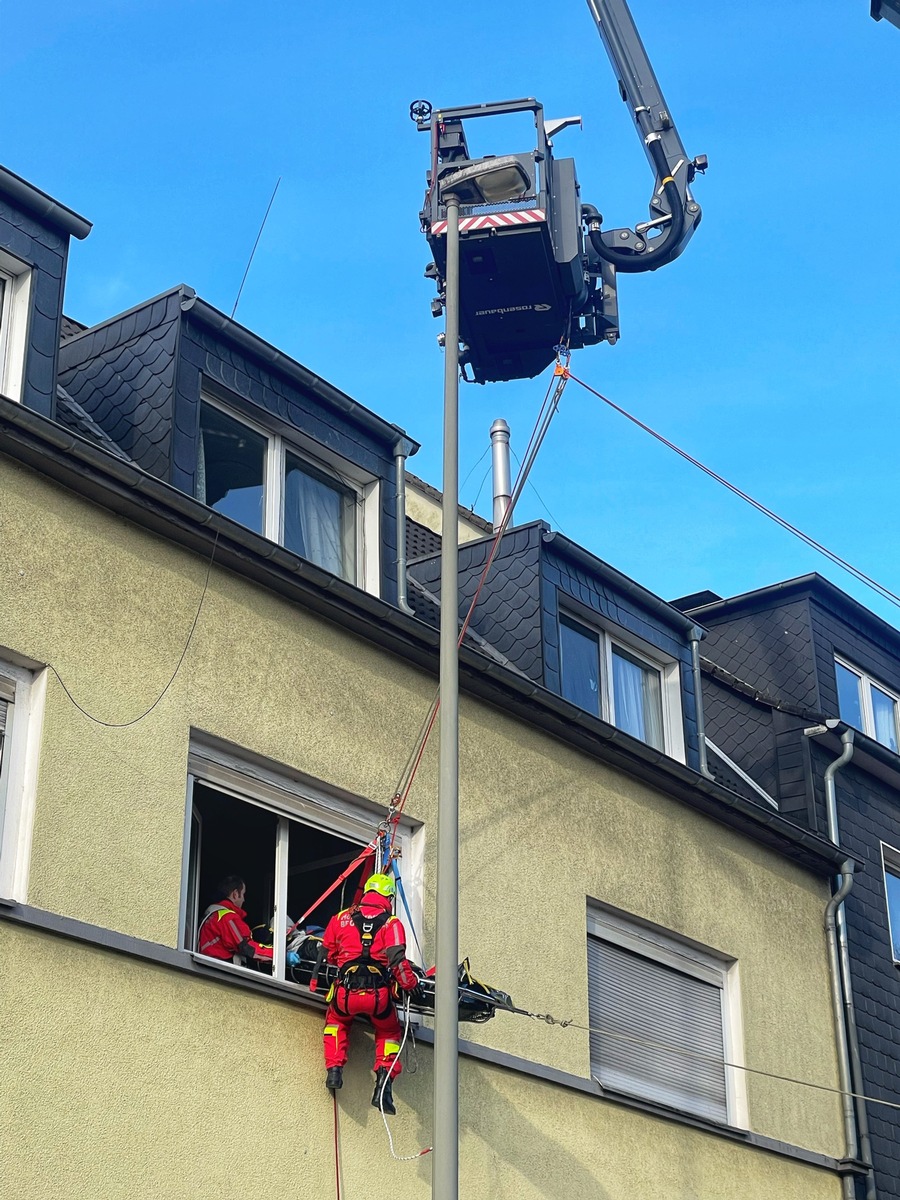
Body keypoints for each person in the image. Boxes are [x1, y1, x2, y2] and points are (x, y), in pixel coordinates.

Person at [315, 872, 418, 1114]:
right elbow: (398, 962)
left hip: (345, 995)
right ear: (388, 897)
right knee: (389, 1032)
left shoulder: (340, 918)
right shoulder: (392, 923)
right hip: (377, 997)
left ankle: (334, 1071)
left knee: (335, 1023)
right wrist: (411, 985)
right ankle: (384, 1084)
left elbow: (328, 954)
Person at [197, 875, 279, 966]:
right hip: (221, 972)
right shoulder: (227, 917)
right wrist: (280, 954)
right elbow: (247, 947)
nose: (244, 900)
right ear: (235, 894)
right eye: (243, 894)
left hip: (208, 968)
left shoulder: (212, 915)